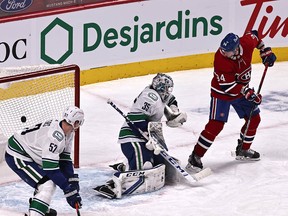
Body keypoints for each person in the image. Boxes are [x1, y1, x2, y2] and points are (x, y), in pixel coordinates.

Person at [186, 31, 276, 171]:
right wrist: (248, 93)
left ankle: (243, 150)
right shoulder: (220, 59)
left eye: (227, 51)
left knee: (254, 118)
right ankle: (195, 156)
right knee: (216, 125)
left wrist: (265, 51)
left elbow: (256, 36)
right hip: (221, 93)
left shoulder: (246, 42)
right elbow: (228, 87)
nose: (223, 52)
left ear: (236, 48)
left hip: (241, 90)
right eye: (222, 49)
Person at [94, 73, 187, 199]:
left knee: (159, 164)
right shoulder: (150, 97)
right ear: (161, 87)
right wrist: (149, 136)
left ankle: (126, 164)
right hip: (132, 137)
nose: (169, 91)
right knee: (145, 167)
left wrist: (174, 111)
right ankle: (113, 184)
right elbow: (135, 119)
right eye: (167, 88)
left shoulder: (160, 94)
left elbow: (171, 99)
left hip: (146, 136)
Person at [5, 106, 85, 216]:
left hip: (30, 151)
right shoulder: (54, 137)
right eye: (79, 122)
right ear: (75, 122)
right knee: (47, 184)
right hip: (18, 154)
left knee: (45, 181)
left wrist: (71, 180)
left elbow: (65, 158)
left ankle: (39, 207)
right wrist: (67, 189)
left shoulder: (68, 132)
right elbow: (51, 169)